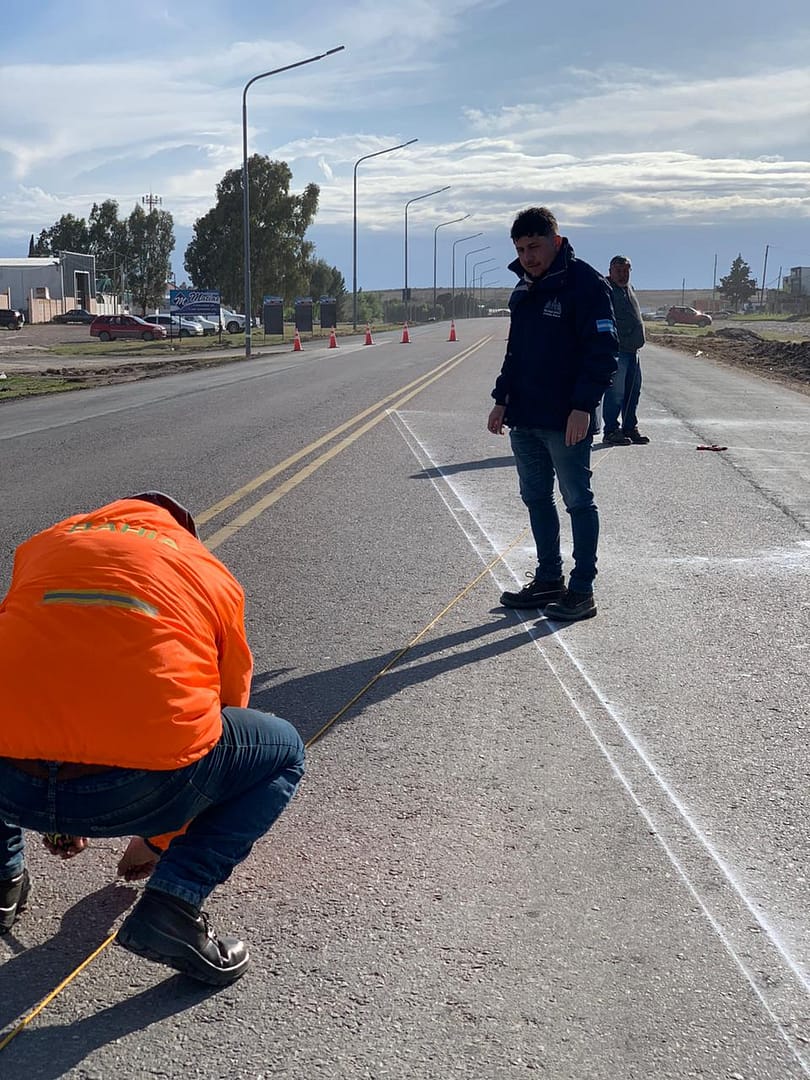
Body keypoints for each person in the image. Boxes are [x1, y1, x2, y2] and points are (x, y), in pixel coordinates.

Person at [0, 492, 305, 986]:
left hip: (10, 783)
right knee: (281, 751)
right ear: (183, 530)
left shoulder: (44, 545)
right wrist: (157, 842)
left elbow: (30, 662)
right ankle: (173, 903)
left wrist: (57, 809)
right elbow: (223, 711)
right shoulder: (207, 570)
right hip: (145, 786)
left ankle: (2, 881)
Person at [487, 207, 618, 622]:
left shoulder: (586, 284)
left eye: (534, 246)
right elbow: (516, 352)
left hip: (566, 419)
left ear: (555, 241)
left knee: (578, 500)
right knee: (536, 498)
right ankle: (548, 579)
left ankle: (582, 590)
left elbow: (603, 352)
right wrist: (501, 399)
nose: (528, 257)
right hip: (525, 417)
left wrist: (583, 407)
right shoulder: (524, 288)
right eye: (520, 249)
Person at [602, 255, 649, 445]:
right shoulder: (605, 289)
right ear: (610, 271)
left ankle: (630, 427)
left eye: (626, 270)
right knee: (616, 393)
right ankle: (611, 431)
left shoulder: (629, 289)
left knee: (632, 391)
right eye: (618, 271)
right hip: (617, 351)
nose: (622, 275)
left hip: (633, 351)